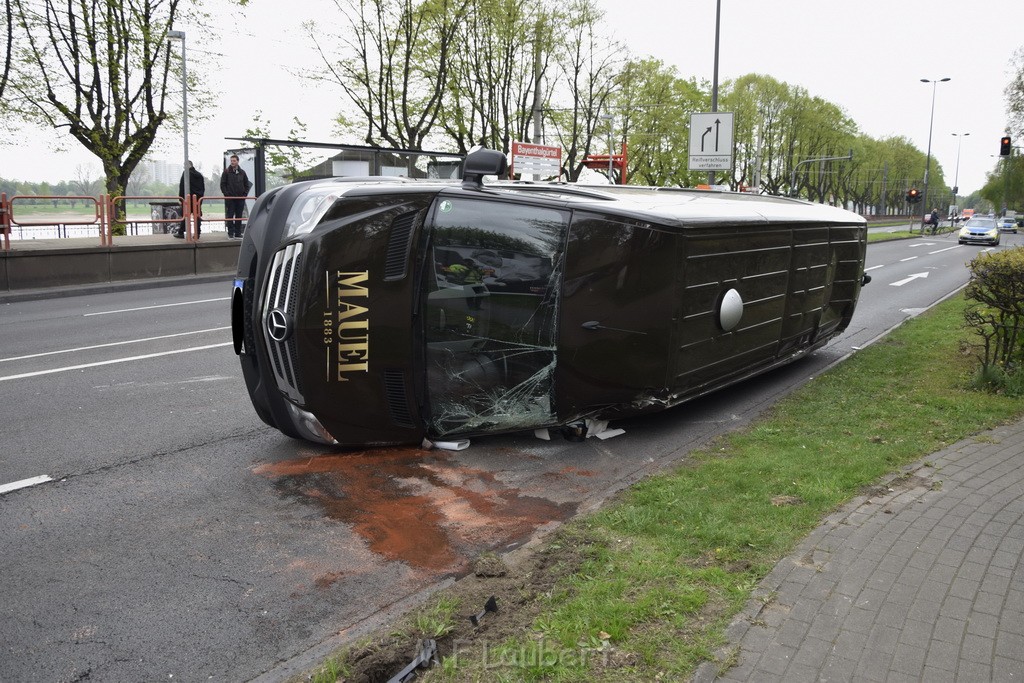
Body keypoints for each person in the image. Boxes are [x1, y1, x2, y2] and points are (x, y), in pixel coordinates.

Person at [221, 154, 252, 239]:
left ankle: (238, 233)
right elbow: (222, 184)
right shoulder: (226, 172)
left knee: (239, 216)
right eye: (231, 161)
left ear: (237, 161)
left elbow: (246, 184)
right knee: (230, 215)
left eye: (234, 161)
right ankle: (230, 233)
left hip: (240, 198)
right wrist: (227, 194)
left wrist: (244, 195)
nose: (232, 162)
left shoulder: (242, 172)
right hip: (230, 198)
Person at [175, 161, 205, 238]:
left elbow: (182, 186)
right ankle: (197, 233)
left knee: (185, 215)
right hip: (197, 199)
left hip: (188, 199)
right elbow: (202, 187)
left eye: (184, 165)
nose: (183, 167)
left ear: (188, 166)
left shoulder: (186, 174)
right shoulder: (199, 175)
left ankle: (181, 232)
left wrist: (181, 198)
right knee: (197, 215)